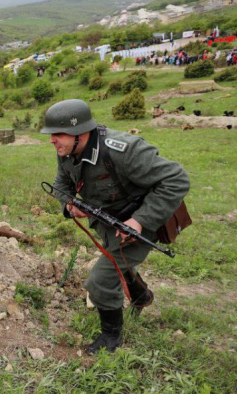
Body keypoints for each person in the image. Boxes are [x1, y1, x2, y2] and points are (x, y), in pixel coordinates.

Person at [40, 99, 189, 354]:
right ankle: (141, 296)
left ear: (81, 132)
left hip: (142, 221)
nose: (53, 141)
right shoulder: (67, 151)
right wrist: (70, 205)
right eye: (51, 134)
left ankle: (111, 338)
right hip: (108, 222)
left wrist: (140, 221)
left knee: (99, 282)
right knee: (117, 265)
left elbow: (176, 179)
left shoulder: (123, 150)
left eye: (58, 134)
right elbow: (61, 185)